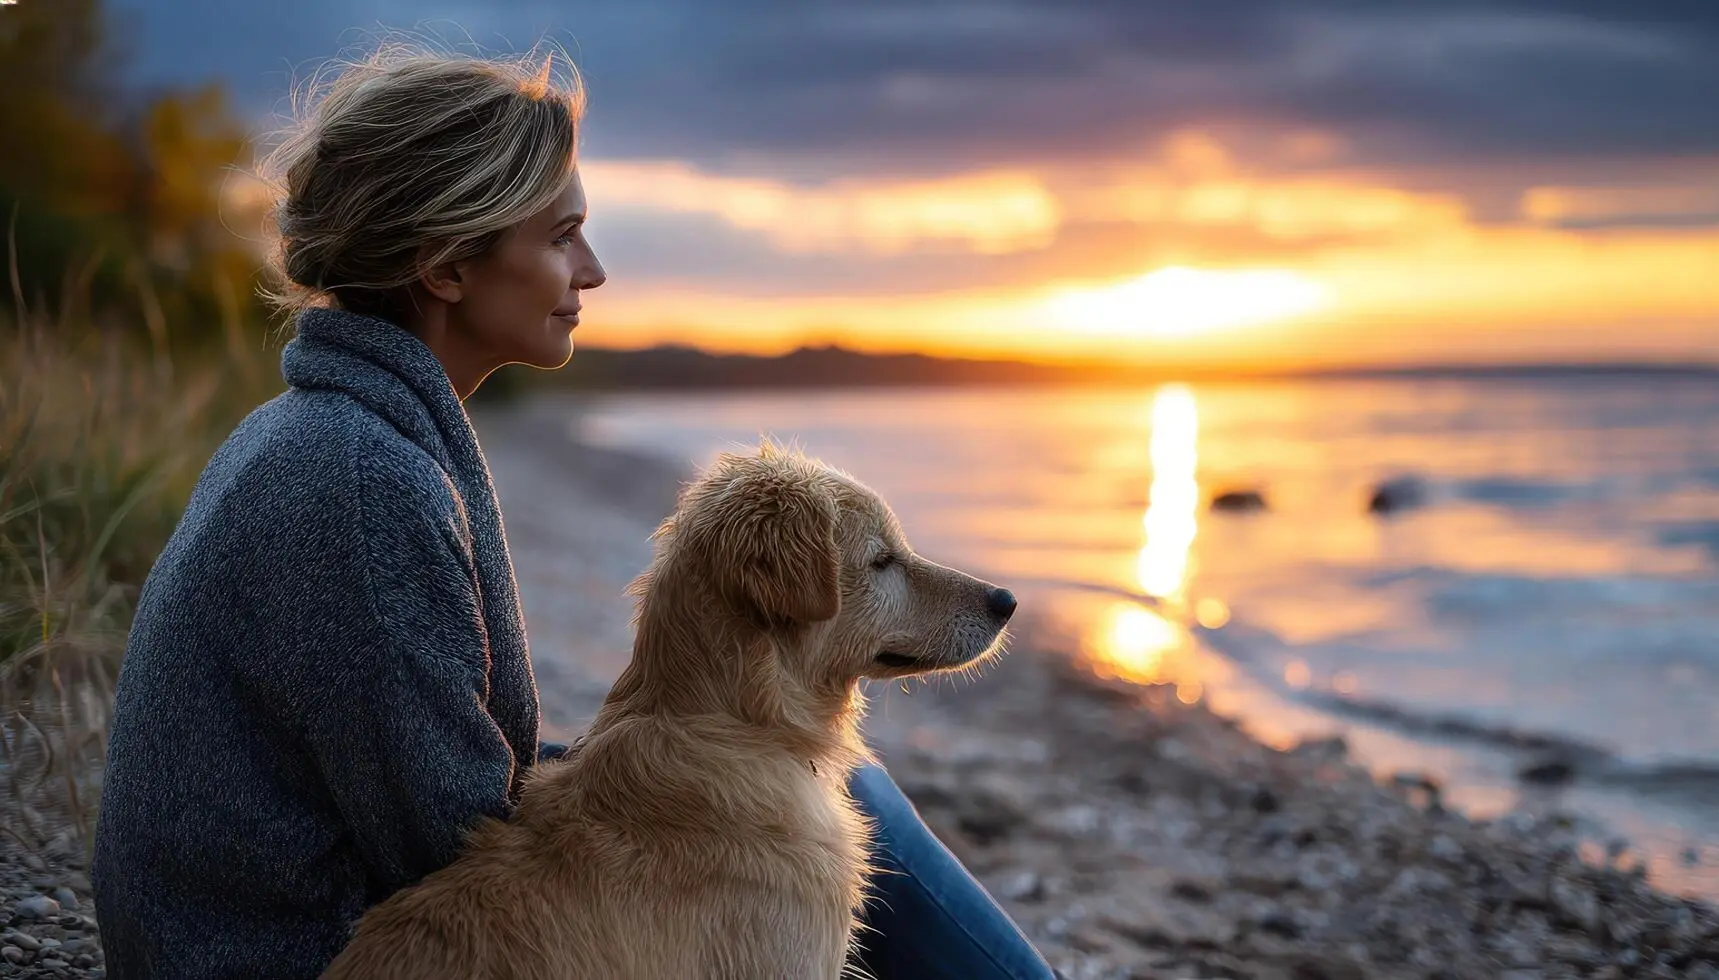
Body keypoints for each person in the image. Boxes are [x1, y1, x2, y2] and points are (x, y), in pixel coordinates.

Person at [91, 43, 1053, 980]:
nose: (591, 272)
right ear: (446, 266)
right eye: (560, 238)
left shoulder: (339, 433)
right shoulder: (358, 482)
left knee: (798, 792)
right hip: (294, 953)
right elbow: (447, 840)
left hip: (287, 922)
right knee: (788, 817)